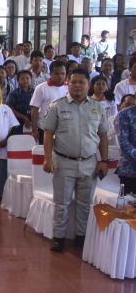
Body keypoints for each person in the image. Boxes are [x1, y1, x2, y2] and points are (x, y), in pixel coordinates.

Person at [41, 68, 109, 252]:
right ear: (67, 84)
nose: (77, 86)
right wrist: (48, 159)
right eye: (74, 82)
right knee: (61, 203)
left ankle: (81, 236)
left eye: (82, 82)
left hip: (89, 162)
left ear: (88, 85)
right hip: (64, 162)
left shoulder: (98, 107)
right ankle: (58, 237)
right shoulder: (57, 105)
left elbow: (103, 135)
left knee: (85, 203)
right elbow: (48, 134)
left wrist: (104, 160)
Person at [30, 61, 68, 144]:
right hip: (44, 128)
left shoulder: (69, 88)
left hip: (64, 129)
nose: (60, 76)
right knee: (45, 154)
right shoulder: (41, 88)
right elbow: (34, 109)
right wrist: (34, 129)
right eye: (57, 73)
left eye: (63, 73)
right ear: (50, 74)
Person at [6, 70, 34, 134]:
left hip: (32, 121)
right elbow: (10, 109)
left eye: (27, 78)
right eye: (22, 79)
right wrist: (24, 117)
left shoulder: (35, 92)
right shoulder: (14, 93)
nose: (25, 80)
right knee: (18, 140)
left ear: (31, 79)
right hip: (17, 122)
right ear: (18, 80)